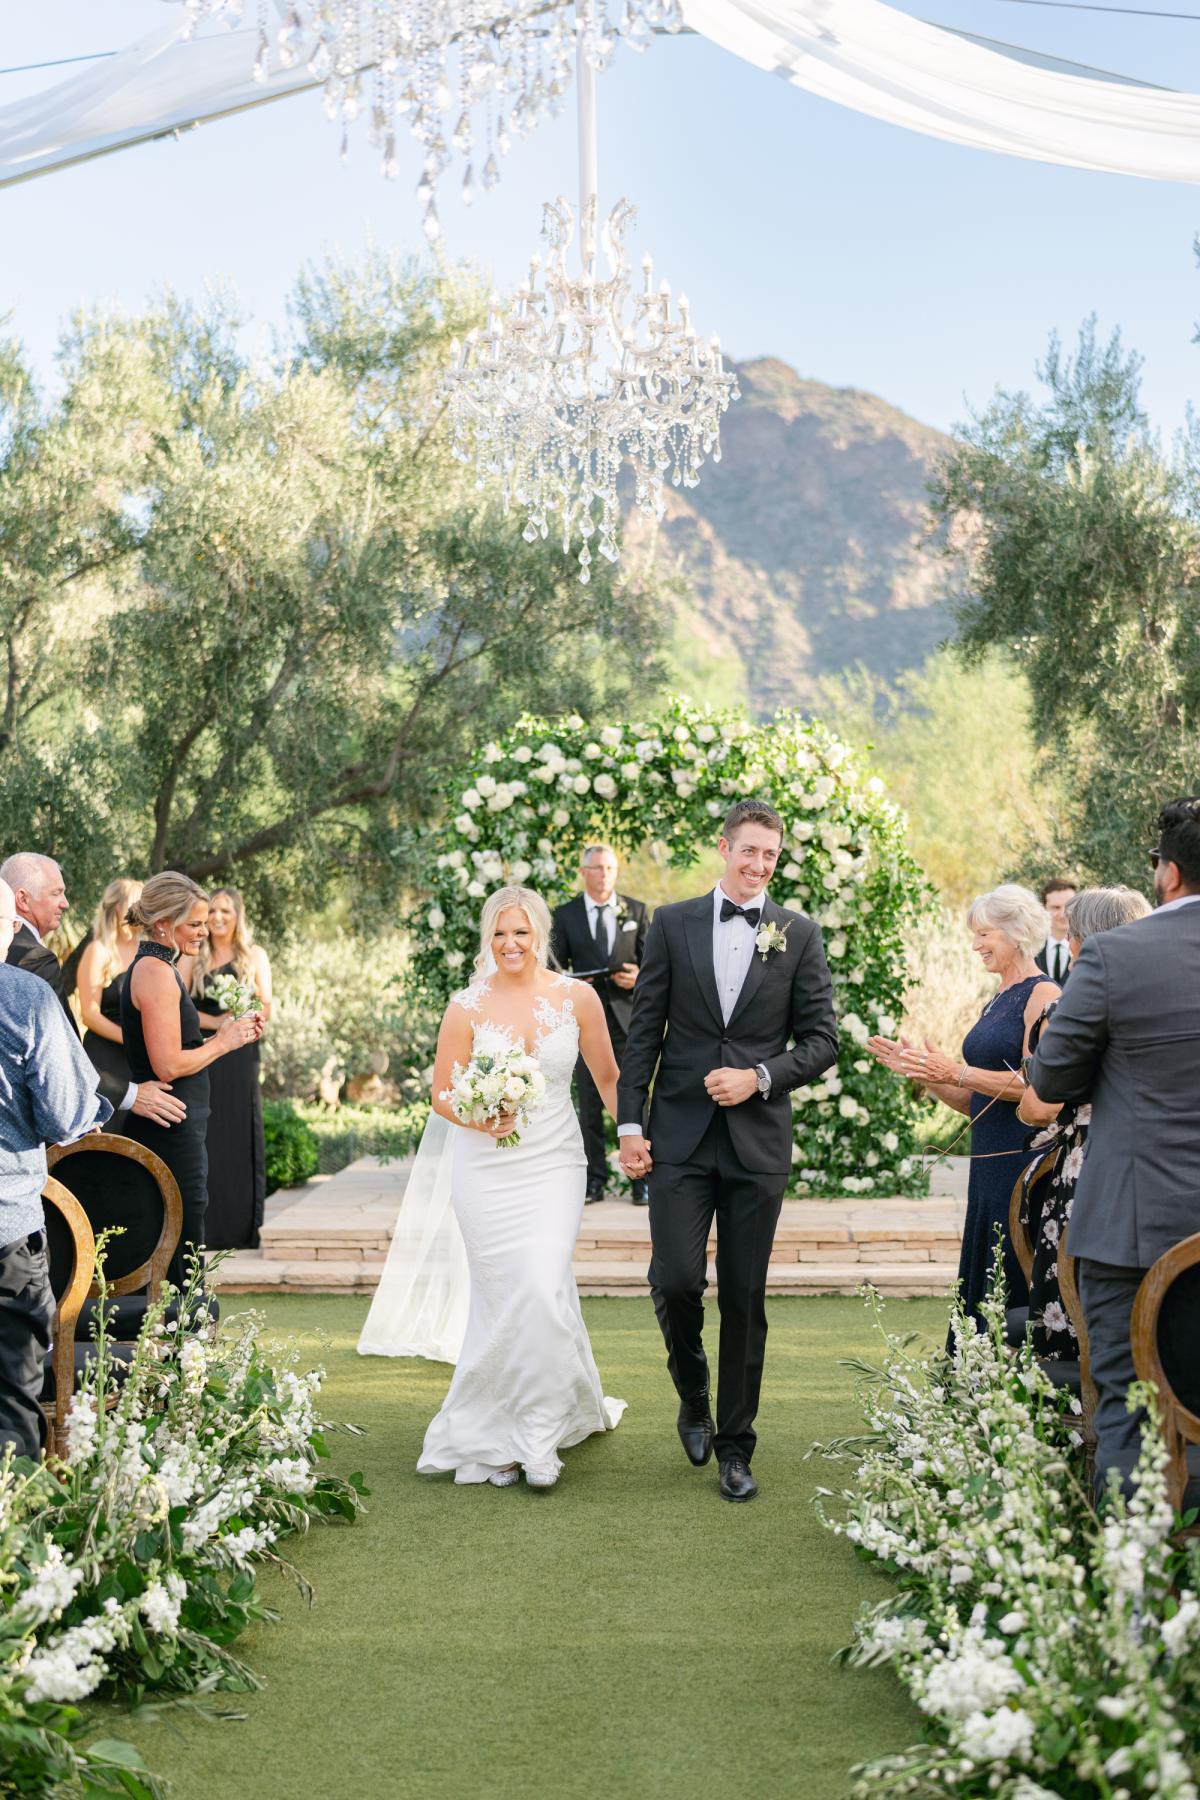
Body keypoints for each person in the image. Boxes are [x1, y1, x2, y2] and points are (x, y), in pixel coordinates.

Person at [362, 886, 626, 1490]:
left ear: (541, 937)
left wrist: (633, 1138)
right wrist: (479, 1114)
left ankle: (538, 1437)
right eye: (501, 933)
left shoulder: (577, 999)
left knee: (539, 1281)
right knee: (507, 1296)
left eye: (522, 933)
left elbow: (608, 1077)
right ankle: (497, 1431)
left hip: (555, 1164)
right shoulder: (467, 1006)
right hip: (484, 1171)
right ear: (489, 938)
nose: (511, 944)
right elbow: (442, 1093)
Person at [616, 799, 839, 1503]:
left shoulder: (799, 935)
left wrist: (761, 1077)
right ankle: (693, 1393)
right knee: (676, 1279)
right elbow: (643, 1030)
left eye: (770, 855)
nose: (758, 865)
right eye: (748, 851)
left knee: (745, 1297)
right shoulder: (674, 924)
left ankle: (736, 1449)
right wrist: (629, 1125)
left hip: (757, 1144)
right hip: (679, 1136)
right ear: (724, 848)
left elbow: (823, 1040)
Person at [1027, 798, 1200, 1500]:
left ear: (1167, 873)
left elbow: (1052, 1077)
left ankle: (1132, 1589)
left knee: (1128, 1406)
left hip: (1134, 1227)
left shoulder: (1116, 953)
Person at [868, 884, 1059, 1333]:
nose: (975, 945)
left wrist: (955, 1072)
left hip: (1021, 1159)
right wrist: (925, 1073)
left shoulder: (1043, 994)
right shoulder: (994, 998)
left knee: (1012, 1270)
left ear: (1016, 933)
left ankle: (1013, 1381)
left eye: (984, 934)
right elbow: (977, 1102)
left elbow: (1040, 1086)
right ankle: (974, 1385)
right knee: (984, 1268)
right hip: (988, 1162)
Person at [0, 877, 111, 1459]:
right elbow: (66, 1113)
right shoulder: (25, 995)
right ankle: (10, 1529)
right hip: (7, 1224)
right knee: (12, 1395)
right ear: (9, 926)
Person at [1016, 886, 1151, 1360]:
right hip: (1159, 1172)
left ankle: (1075, 1420)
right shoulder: (1162, 1006)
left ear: (1083, 942)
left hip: (1086, 1176)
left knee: (1074, 1310)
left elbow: (1038, 1107)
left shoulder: (1068, 1012)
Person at [121, 872, 263, 1288]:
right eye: (195, 923)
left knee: (185, 1225)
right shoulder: (156, 973)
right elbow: (167, 1065)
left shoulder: (160, 967)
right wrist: (223, 1041)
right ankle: (184, 1337)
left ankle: (183, 1334)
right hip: (171, 1125)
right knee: (183, 1231)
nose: (204, 931)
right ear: (164, 923)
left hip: (180, 1119)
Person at [1, 853, 183, 1132]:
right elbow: (59, 1054)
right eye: (56, 893)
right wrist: (92, 1105)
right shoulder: (33, 957)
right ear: (23, 900)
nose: (65, 903)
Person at [550, 845, 650, 1205]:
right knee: (590, 1105)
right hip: (583, 1024)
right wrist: (574, 984)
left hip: (628, 1022)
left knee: (636, 1099)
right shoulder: (565, 914)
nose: (605, 874)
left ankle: (642, 1179)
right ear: (584, 871)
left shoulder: (636, 910)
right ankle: (595, 1180)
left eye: (610, 868)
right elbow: (552, 970)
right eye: (598, 868)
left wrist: (638, 977)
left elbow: (654, 967)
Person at [183, 887, 271, 1251]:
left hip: (242, 1056)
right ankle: (209, 1229)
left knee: (238, 1130)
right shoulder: (194, 956)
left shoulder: (254, 956)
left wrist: (246, 1020)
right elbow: (182, 1005)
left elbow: (266, 1004)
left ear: (238, 916)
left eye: (225, 911)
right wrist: (218, 1021)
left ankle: (241, 1229)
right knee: (209, 1133)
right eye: (213, 911)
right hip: (207, 1051)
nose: (218, 917)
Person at [76, 878, 143, 1133]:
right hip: (106, 1058)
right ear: (118, 908)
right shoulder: (98, 951)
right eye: (138, 903)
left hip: (139, 1059)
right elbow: (89, 1014)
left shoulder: (146, 951)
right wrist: (131, 1038)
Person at [1035, 878, 1078, 984]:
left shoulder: (1089, 947)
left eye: (1069, 907)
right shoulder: (1031, 948)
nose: (1063, 914)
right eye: (1056, 907)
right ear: (1044, 909)